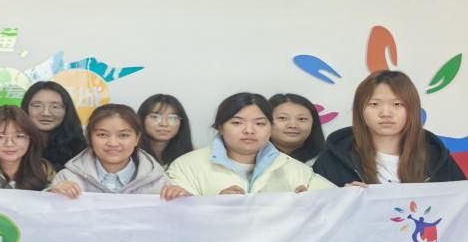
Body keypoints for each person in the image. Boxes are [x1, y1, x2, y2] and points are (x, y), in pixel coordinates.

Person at [314, 70, 466, 186]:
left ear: (412, 109)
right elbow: (317, 213)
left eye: (397, 104)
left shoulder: (438, 159)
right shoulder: (331, 161)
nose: (385, 113)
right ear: (360, 110)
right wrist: (342, 199)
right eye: (374, 104)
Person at [168, 93, 335, 195]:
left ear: (271, 127)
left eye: (260, 123)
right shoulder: (186, 167)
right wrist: (215, 205)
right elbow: (175, 219)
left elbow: (335, 204)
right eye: (237, 123)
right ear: (220, 127)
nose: (249, 130)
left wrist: (309, 204)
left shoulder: (295, 169)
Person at [50, 104, 190, 199]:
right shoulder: (67, 178)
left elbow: (176, 224)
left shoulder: (158, 181)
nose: (113, 143)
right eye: (102, 135)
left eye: (123, 135)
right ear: (90, 138)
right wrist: (51, 195)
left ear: (137, 139)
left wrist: (183, 199)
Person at [20, 81, 86, 170]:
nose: (46, 113)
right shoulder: (15, 145)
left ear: (67, 111)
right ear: (25, 108)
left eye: (55, 106)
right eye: (37, 106)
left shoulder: (80, 150)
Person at [137, 93, 194, 167]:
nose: (164, 124)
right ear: (141, 119)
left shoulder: (192, 156)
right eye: (155, 117)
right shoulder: (129, 154)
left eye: (172, 118)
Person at [269, 93, 326, 163]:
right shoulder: (256, 157)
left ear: (314, 123)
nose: (293, 125)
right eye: (282, 118)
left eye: (301, 119)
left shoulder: (327, 160)